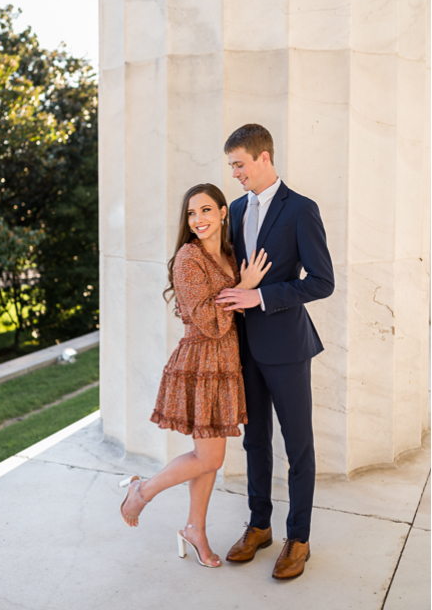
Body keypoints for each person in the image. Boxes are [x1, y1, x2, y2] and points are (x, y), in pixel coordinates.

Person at [119, 183, 271, 568]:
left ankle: (194, 528)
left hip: (226, 366)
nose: (198, 220)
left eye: (205, 210)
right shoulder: (187, 258)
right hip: (201, 365)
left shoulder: (231, 255)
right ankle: (143, 490)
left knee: (207, 457)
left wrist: (244, 289)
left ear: (223, 213)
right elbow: (208, 322)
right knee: (210, 457)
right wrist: (245, 288)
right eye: (191, 213)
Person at [215, 123, 334, 580]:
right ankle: (258, 526)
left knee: (298, 445)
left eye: (240, 165)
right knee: (254, 440)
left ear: (264, 158)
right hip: (243, 347)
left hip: (286, 346)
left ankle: (298, 538)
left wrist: (259, 297)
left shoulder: (302, 209)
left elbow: (321, 282)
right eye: (232, 167)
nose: (236, 174)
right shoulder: (237, 208)